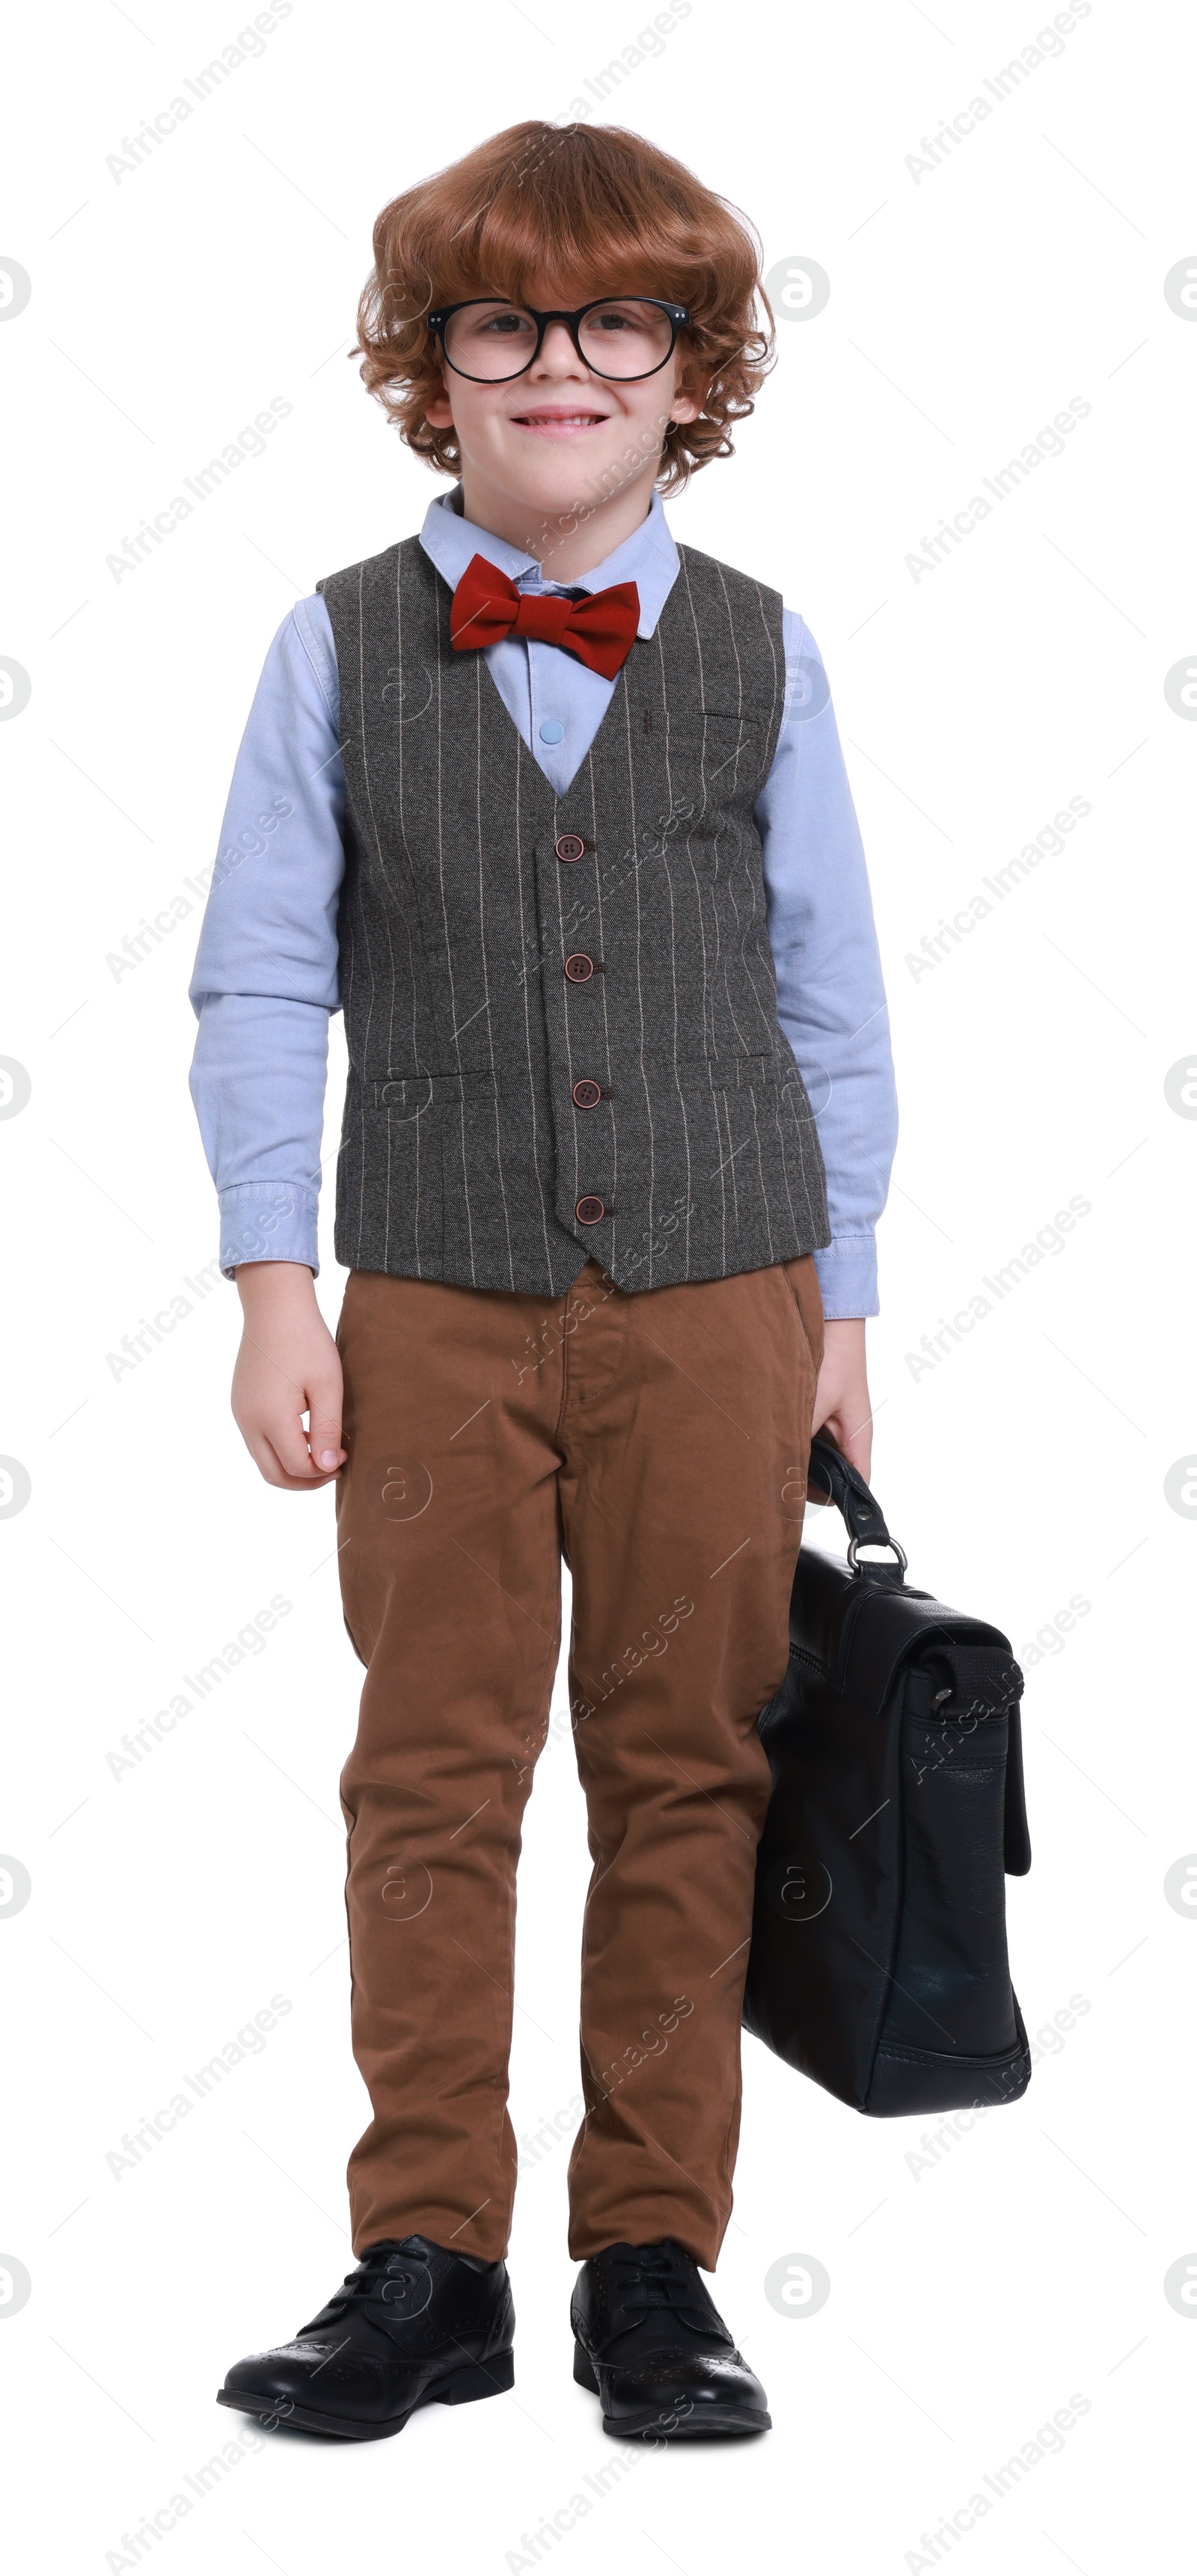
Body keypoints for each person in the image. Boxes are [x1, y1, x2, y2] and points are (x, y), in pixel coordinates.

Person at [189, 118, 897, 2444]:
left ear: (694, 371)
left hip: (726, 1280)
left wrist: (845, 1318)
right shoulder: (334, 643)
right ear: (436, 367)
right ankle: (426, 2255)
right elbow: (264, 980)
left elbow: (831, 1000)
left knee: (687, 1765)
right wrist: (274, 1283)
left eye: (622, 324)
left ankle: (653, 2258)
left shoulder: (766, 655)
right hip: (437, 1289)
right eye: (508, 321)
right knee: (433, 1769)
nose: (563, 366)